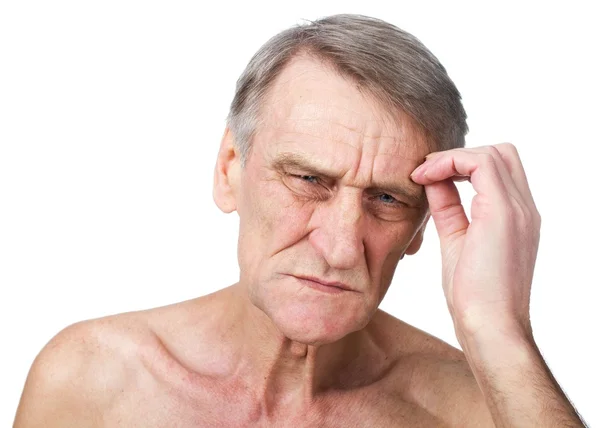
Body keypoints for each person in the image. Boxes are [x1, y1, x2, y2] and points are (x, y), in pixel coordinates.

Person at [13, 14, 586, 427]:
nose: (340, 246)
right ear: (229, 169)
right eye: (309, 180)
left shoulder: (478, 410)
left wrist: (498, 329)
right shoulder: (91, 379)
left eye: (386, 199)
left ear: (421, 228)